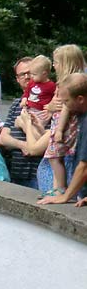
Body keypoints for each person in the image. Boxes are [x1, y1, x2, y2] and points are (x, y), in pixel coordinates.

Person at [38, 72, 87, 206]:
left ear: (80, 99)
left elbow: (84, 167)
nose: (64, 106)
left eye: (66, 101)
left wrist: (65, 196)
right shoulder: (81, 116)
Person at [0, 57, 41, 188]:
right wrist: (23, 145)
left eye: (30, 72)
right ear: (17, 79)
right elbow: (3, 138)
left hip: (38, 174)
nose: (27, 77)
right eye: (22, 74)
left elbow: (48, 140)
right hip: (16, 172)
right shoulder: (16, 104)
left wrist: (24, 125)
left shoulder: (48, 105)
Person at [22, 54, 55, 124]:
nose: (31, 76)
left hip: (41, 111)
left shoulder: (51, 85)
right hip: (29, 108)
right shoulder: (32, 82)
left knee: (38, 124)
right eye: (31, 74)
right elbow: (27, 92)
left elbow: (54, 97)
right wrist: (24, 99)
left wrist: (50, 106)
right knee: (22, 119)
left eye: (34, 74)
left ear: (44, 74)